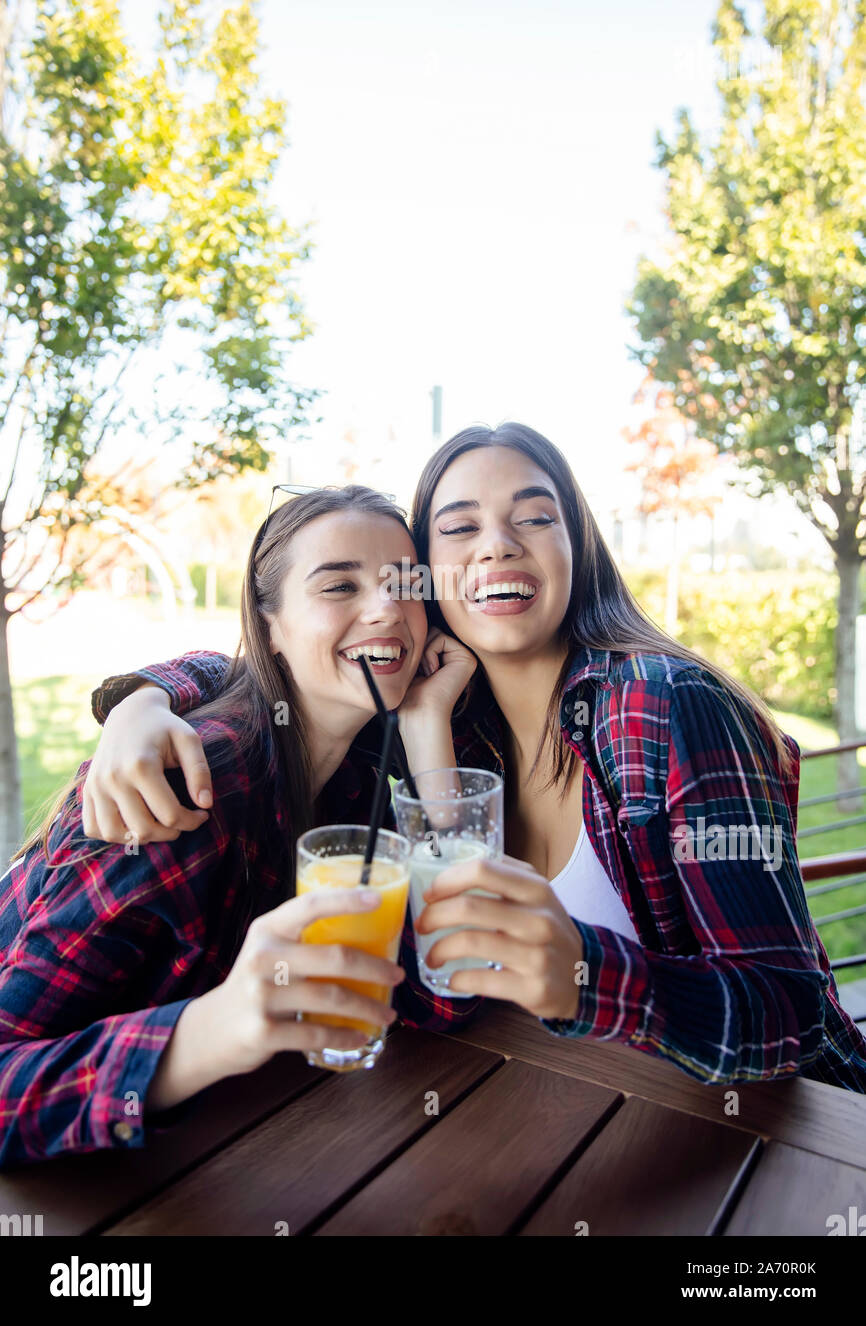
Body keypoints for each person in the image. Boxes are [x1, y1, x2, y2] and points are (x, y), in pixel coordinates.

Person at [82, 425, 866, 1094]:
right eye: (459, 528)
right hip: (546, 1121)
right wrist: (141, 698)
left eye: (535, 517)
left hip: (780, 1154)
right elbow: (279, 653)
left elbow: (790, 1015)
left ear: (575, 547)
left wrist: (586, 974)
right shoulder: (441, 723)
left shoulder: (667, 706)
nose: (497, 544)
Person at [0, 486, 490, 1167]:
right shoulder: (184, 790)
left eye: (404, 584)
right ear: (271, 630)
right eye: (339, 585)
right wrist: (206, 1034)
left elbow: (444, 993)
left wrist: (428, 725)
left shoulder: (355, 787)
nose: (386, 610)